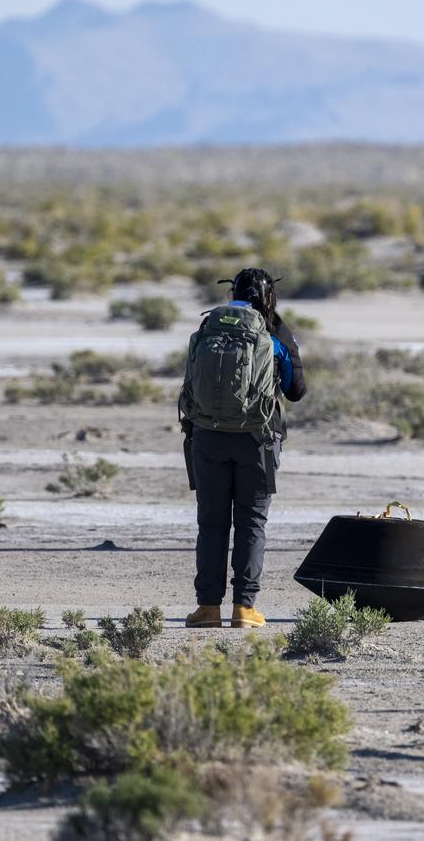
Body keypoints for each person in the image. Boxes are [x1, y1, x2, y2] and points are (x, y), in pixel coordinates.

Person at [179, 268, 307, 628]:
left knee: (212, 524)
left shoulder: (209, 326)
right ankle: (244, 608)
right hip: (258, 440)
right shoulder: (273, 332)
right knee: (251, 523)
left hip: (206, 436)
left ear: (232, 292)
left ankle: (207, 608)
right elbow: (296, 389)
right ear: (269, 297)